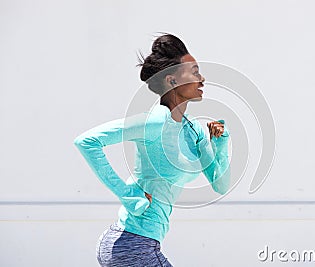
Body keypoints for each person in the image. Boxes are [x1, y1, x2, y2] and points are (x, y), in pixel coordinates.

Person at [73, 33, 231, 266]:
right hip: (131, 246)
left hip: (141, 245)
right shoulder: (154, 123)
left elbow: (220, 184)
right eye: (195, 72)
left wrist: (220, 144)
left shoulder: (193, 131)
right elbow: (87, 141)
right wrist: (128, 195)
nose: (202, 78)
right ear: (172, 80)